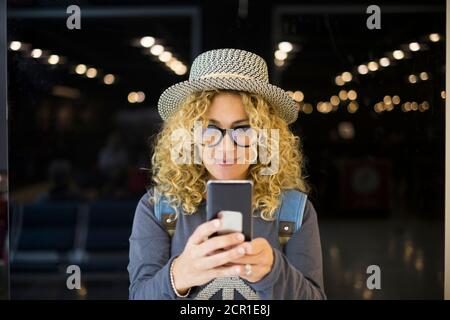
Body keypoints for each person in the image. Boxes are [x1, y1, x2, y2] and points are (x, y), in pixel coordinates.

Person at [128, 48, 326, 300]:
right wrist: (180, 275)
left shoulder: (294, 211)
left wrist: (274, 271)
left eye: (243, 129)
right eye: (209, 129)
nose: (226, 147)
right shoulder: (158, 208)